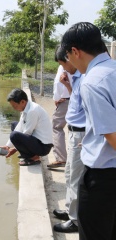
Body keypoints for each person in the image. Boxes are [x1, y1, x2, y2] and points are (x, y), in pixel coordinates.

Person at [61, 22, 116, 240]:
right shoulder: (113, 70)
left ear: (75, 51)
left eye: (68, 56)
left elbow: (112, 135)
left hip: (103, 179)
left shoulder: (91, 82)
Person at [51, 47, 86, 233]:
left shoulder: (87, 77)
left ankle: (75, 220)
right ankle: (69, 209)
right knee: (69, 174)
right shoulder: (78, 77)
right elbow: (78, 103)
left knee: (75, 178)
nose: (64, 69)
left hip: (81, 133)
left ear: (73, 56)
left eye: (64, 64)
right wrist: (68, 87)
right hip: (74, 132)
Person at [0, 88, 53, 166]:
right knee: (14, 125)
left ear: (22, 102)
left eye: (15, 106)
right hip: (37, 141)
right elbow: (19, 127)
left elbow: (27, 132)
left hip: (43, 147)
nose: (14, 108)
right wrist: (7, 146)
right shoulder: (26, 108)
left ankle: (33, 157)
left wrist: (15, 149)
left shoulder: (32, 111)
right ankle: (28, 154)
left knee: (14, 135)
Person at [47, 46, 72, 168]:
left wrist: (58, 98)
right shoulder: (66, 66)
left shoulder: (68, 67)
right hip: (65, 99)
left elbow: (60, 83)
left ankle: (61, 158)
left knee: (56, 126)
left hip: (66, 100)